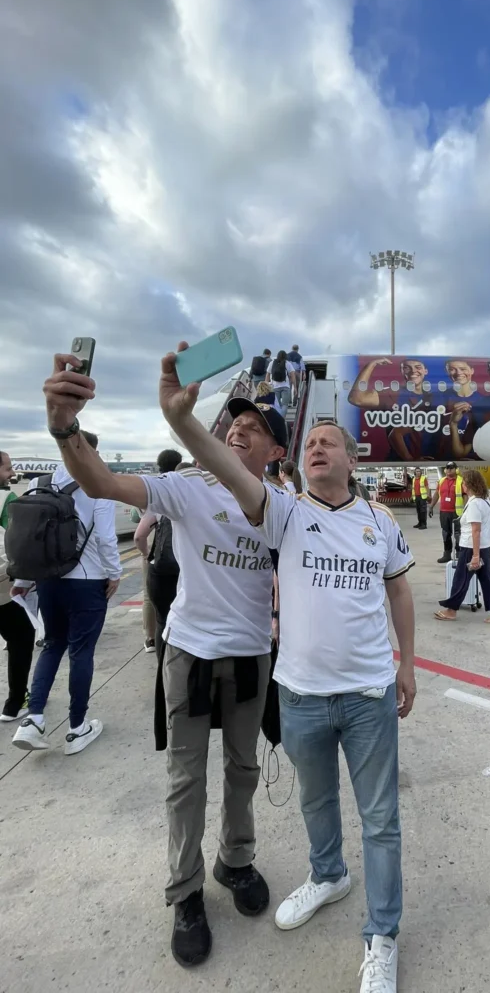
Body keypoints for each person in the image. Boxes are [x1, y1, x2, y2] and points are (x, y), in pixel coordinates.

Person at [160, 375, 416, 993]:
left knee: (380, 819)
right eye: (310, 444)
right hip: (299, 693)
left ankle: (381, 934)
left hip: (368, 694)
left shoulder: (380, 521)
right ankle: (328, 875)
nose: (317, 448)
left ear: (352, 459)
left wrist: (407, 664)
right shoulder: (283, 511)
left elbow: (400, 587)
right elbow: (226, 462)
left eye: (330, 441)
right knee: (316, 802)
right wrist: (184, 421)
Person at [39, 349, 288, 969]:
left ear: (276, 451)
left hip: (252, 657)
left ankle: (236, 859)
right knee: (185, 780)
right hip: (191, 655)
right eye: (232, 423)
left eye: (253, 428)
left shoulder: (284, 507)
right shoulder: (185, 488)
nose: (238, 428)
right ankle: (185, 891)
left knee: (241, 770)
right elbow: (102, 484)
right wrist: (66, 429)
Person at [11, 431, 122, 756]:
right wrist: (114, 573)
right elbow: (104, 537)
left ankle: (33, 719)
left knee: (52, 645)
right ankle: (77, 727)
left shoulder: (43, 483)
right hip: (86, 581)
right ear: (89, 450)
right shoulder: (96, 484)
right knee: (81, 651)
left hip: (47, 579)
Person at [434, 469, 490, 624]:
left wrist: (475, 555)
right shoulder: (485, 500)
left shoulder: (475, 504)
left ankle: (451, 610)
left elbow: (476, 530)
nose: (463, 486)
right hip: (484, 546)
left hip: (472, 548)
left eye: (464, 483)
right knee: (487, 579)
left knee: (461, 579)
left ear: (469, 485)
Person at [0, 450, 36, 723]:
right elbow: (17, 543)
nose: (12, 474)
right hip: (2, 588)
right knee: (22, 637)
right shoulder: (7, 499)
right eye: (7, 469)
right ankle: (15, 702)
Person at [135, 450, 182, 654]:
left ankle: (150, 638)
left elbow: (139, 535)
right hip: (180, 550)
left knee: (150, 597)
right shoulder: (180, 488)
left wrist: (146, 554)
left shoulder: (152, 488)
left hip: (157, 549)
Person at [429, 463, 464, 564]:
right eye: (447, 468)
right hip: (444, 512)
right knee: (445, 533)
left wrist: (467, 509)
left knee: (458, 534)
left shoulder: (460, 481)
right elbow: (436, 494)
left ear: (456, 469)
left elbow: (465, 495)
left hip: (457, 512)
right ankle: (447, 554)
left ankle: (459, 554)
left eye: (451, 468)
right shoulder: (441, 481)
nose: (449, 470)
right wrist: (431, 506)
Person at [267, 350, 296, 415]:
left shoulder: (272, 363)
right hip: (285, 386)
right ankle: (282, 419)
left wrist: (266, 385)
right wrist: (295, 387)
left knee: (277, 405)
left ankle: (278, 418)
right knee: (285, 405)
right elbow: (293, 376)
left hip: (275, 387)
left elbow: (268, 374)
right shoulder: (287, 363)